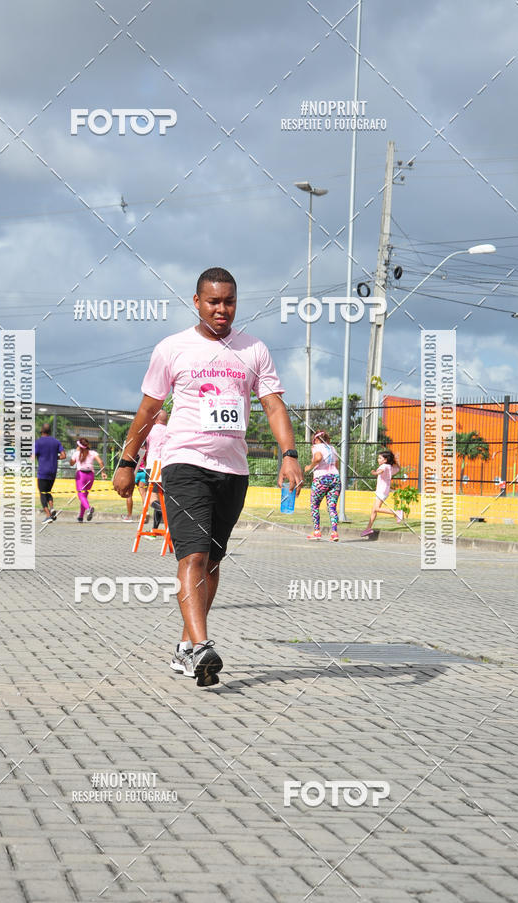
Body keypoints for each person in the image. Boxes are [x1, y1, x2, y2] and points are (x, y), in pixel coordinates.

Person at [113, 266, 302, 687]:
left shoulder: (254, 349)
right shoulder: (172, 348)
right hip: (184, 464)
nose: (222, 309)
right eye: (213, 301)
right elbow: (149, 410)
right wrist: (128, 461)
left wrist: (289, 454)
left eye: (229, 301)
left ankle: (186, 647)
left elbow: (273, 405)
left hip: (233, 470)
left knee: (212, 561)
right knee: (193, 557)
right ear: (196, 302)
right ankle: (202, 647)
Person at [304, 430, 341, 541]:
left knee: (315, 505)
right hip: (335, 478)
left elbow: (318, 458)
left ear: (316, 439)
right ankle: (334, 533)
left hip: (321, 478)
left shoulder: (316, 447)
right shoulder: (332, 448)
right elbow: (337, 464)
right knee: (332, 507)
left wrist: (309, 467)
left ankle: (316, 531)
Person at [360, 449, 403, 536]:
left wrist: (375, 473)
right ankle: (368, 529)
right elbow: (398, 468)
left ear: (385, 460)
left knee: (376, 509)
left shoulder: (384, 466)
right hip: (384, 491)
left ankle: (396, 512)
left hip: (381, 491)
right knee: (374, 510)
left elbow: (381, 471)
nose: (378, 459)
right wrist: (396, 460)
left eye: (380, 458)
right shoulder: (390, 467)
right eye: (378, 458)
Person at [34, 423, 66, 524]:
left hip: (43, 472)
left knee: (42, 493)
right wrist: (54, 457)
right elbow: (63, 456)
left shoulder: (38, 442)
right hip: (53, 472)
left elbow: (32, 456)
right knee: (48, 491)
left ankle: (48, 515)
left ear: (41, 431)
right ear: (50, 431)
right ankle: (52, 508)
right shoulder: (56, 442)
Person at [70, 438, 107, 522]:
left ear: (79, 446)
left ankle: (88, 509)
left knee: (81, 495)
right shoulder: (93, 453)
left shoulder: (77, 453)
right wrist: (103, 473)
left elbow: (71, 463)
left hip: (81, 475)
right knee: (84, 496)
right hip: (90, 475)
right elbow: (101, 462)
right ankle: (81, 516)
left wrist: (75, 455)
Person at [145, 409, 168, 529]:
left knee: (152, 498)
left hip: (153, 465)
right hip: (166, 465)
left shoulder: (150, 430)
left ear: (155, 419)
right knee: (161, 496)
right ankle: (155, 528)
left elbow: (143, 446)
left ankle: (164, 511)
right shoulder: (170, 431)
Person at [122, 444, 148, 522]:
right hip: (143, 472)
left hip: (134, 473)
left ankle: (129, 516)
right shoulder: (145, 451)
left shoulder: (133, 450)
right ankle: (146, 513)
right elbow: (146, 462)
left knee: (129, 494)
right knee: (143, 493)